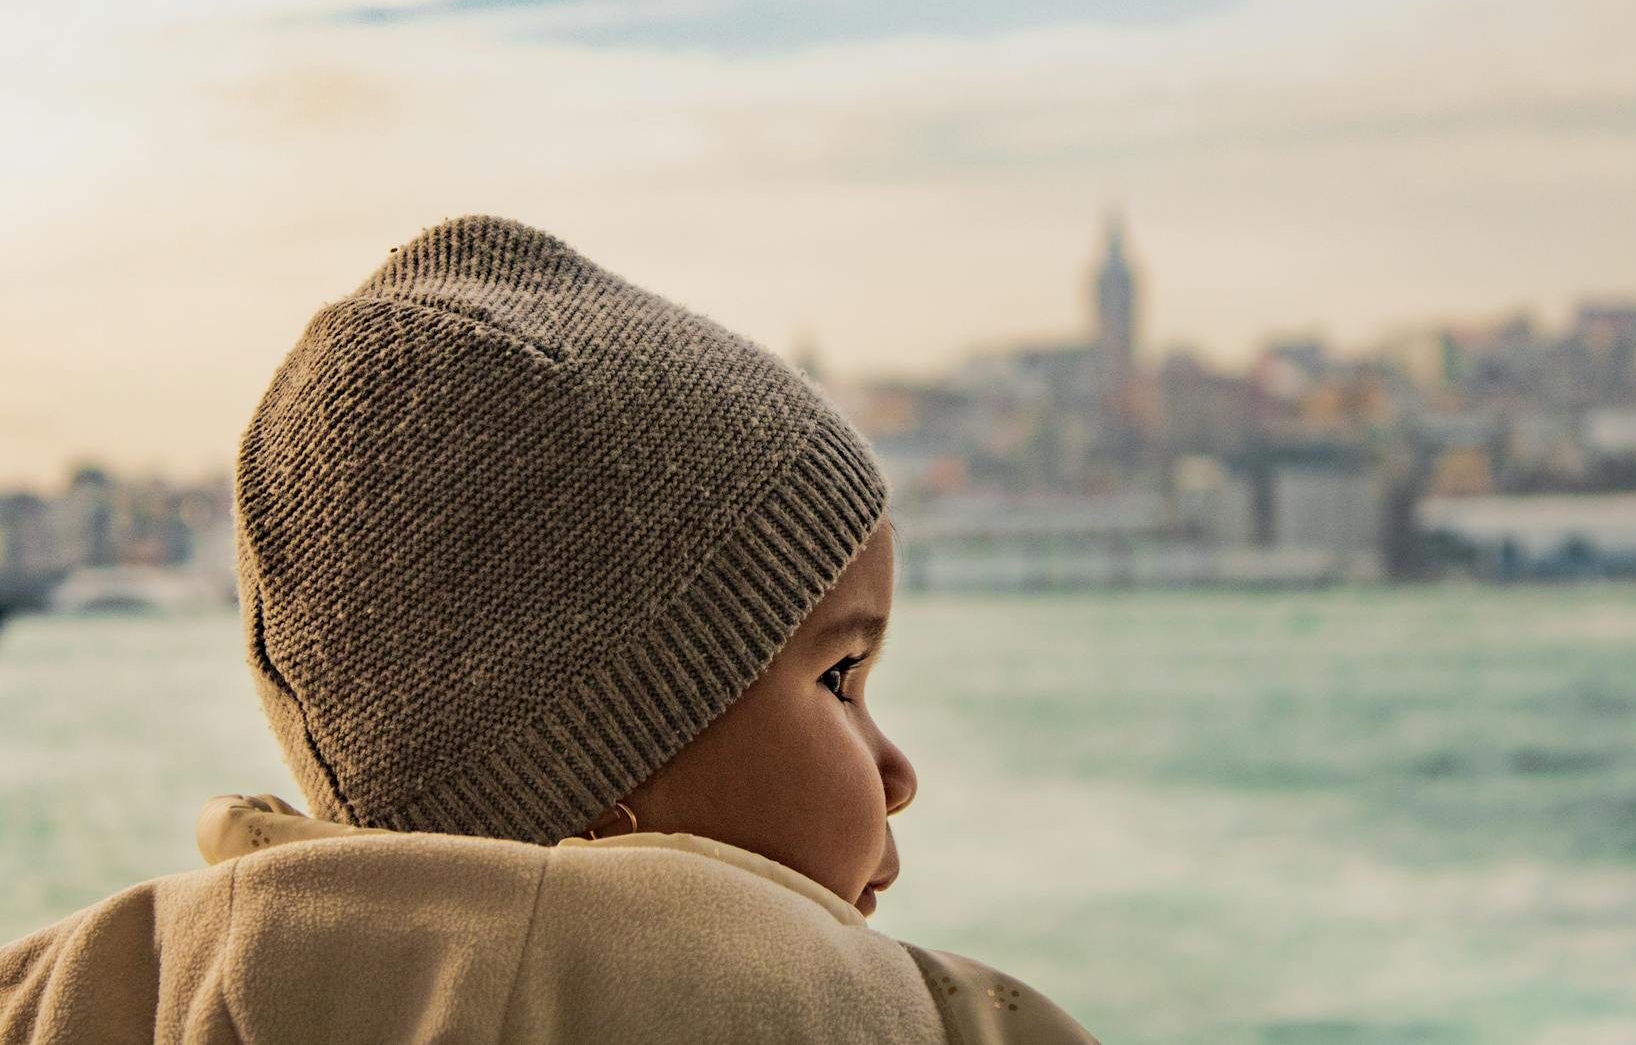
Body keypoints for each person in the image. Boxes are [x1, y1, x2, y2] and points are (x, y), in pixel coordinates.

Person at [0, 213, 1100, 1044]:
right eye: (841, 675)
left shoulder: (96, 996)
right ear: (593, 757)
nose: (896, 771)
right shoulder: (916, 1023)